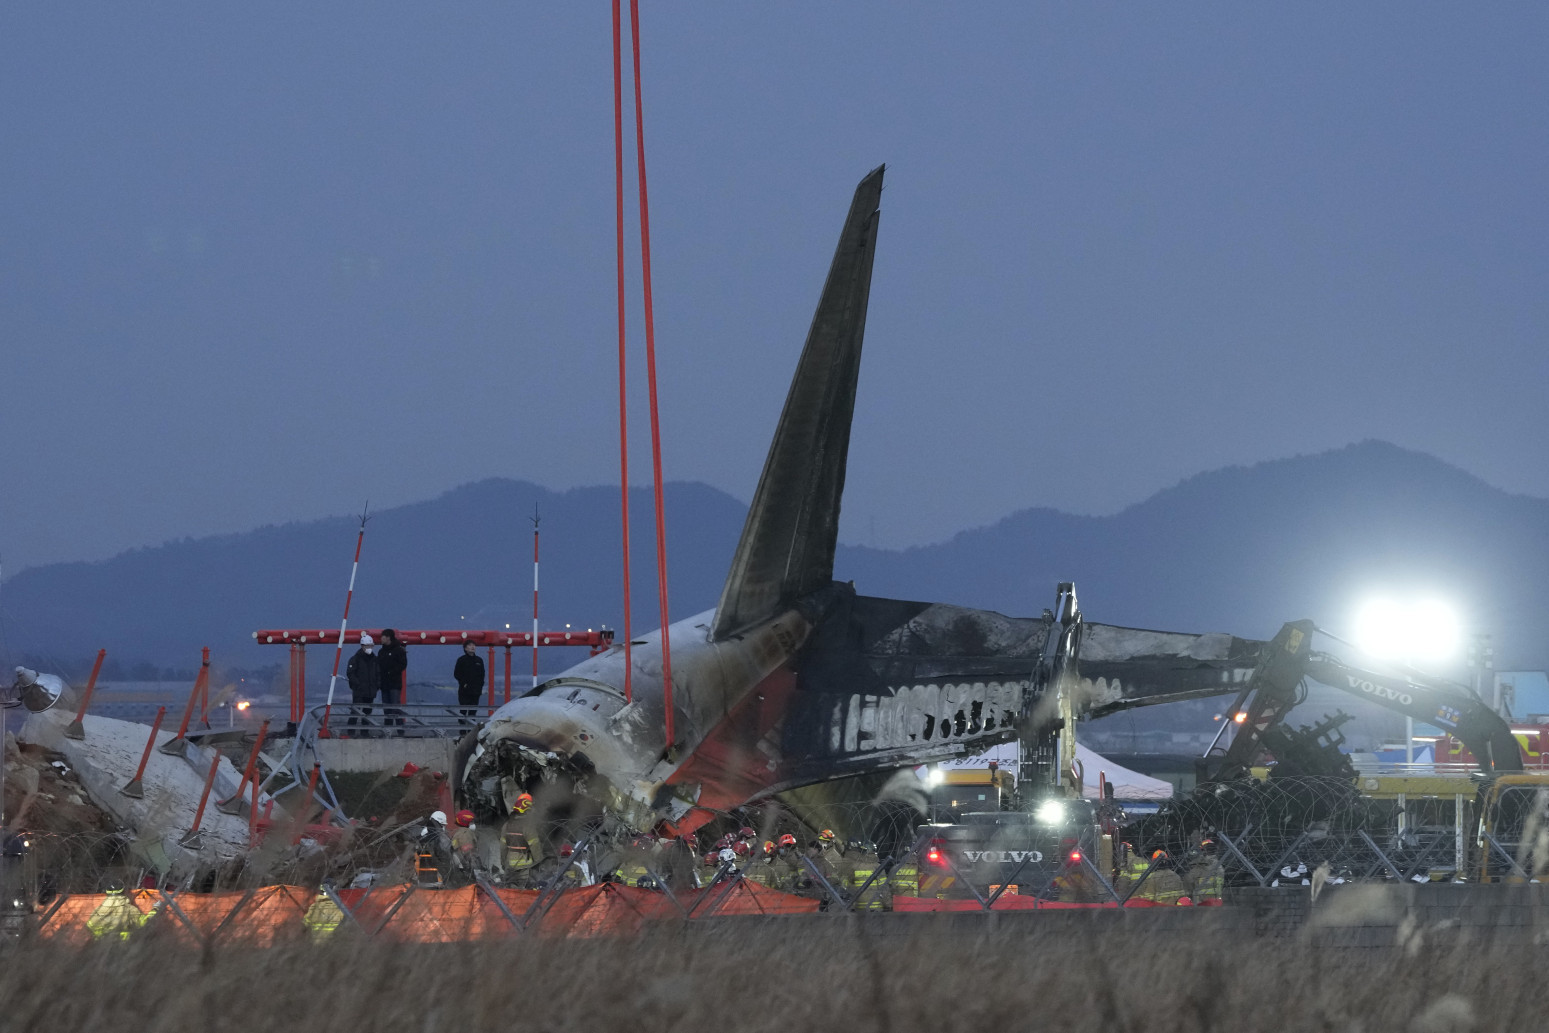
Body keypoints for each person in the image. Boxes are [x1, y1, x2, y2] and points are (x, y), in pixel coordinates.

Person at [345, 633, 380, 736]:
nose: (369, 648)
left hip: (370, 691)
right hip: (359, 691)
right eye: (367, 646)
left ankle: (365, 732)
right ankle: (351, 731)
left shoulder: (375, 660)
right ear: (362, 646)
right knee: (355, 711)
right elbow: (350, 673)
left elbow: (378, 673)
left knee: (367, 713)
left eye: (370, 646)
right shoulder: (355, 659)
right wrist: (358, 684)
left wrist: (377, 685)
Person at [377, 628, 408, 733]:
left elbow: (403, 664)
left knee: (395, 706)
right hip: (384, 684)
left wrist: (392, 672)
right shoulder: (381, 652)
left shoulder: (398, 650)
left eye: (383, 637)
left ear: (388, 637)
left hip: (394, 683)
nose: (381, 639)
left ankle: (400, 730)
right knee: (386, 709)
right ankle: (387, 730)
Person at [453, 642, 486, 726]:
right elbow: (457, 674)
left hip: (476, 691)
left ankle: (471, 731)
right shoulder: (461, 660)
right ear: (465, 648)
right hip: (464, 691)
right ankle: (463, 732)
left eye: (474, 645)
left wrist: (480, 686)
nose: (473, 647)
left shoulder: (479, 660)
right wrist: (464, 684)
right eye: (470, 645)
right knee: (463, 711)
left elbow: (482, 675)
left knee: (473, 712)